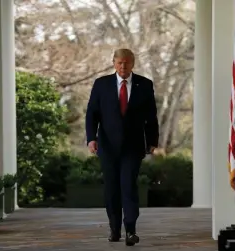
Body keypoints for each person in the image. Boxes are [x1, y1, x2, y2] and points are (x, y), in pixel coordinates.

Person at [85, 48, 159, 246]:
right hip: (107, 146)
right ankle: (115, 229)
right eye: (119, 63)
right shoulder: (101, 84)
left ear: (132, 63)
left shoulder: (144, 85)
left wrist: (152, 141)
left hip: (133, 146)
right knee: (111, 188)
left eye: (126, 63)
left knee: (128, 186)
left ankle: (131, 230)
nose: (123, 66)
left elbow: (151, 116)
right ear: (113, 63)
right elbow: (92, 113)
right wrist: (91, 139)